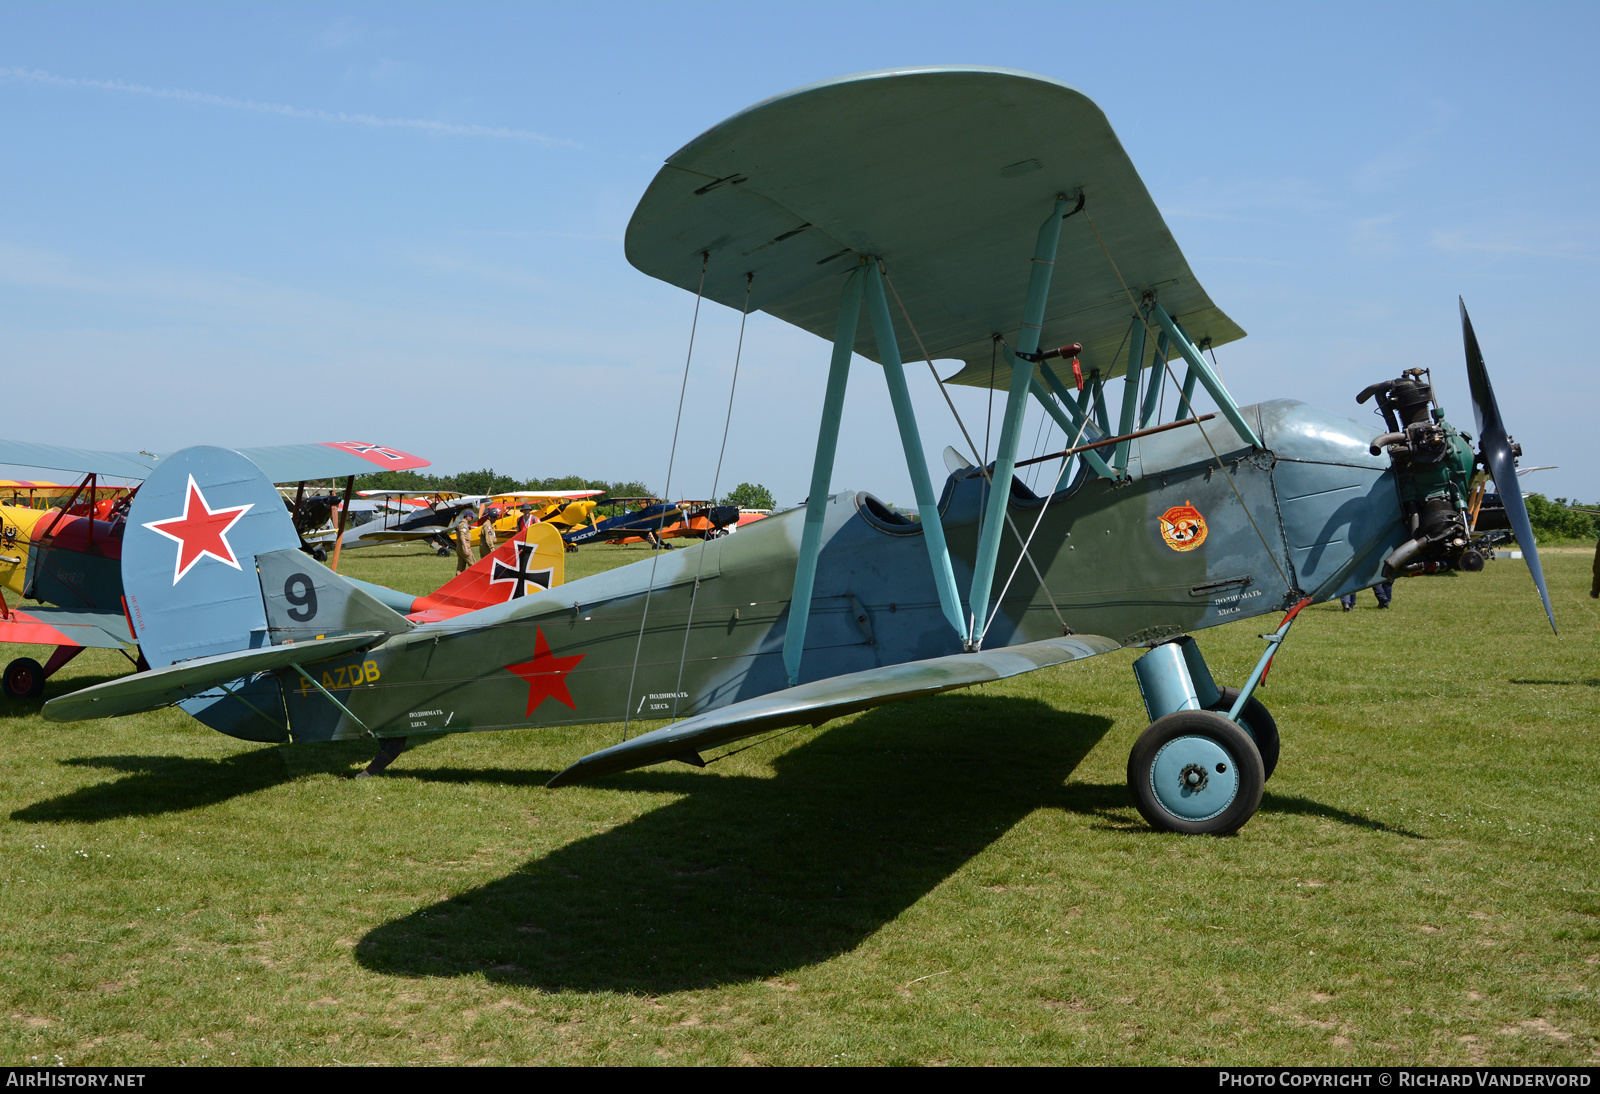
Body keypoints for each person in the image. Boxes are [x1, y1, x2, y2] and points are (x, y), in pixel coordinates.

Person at [451, 506, 475, 574]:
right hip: (464, 546)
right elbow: (462, 537)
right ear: (468, 516)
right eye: (472, 517)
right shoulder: (463, 525)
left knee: (460, 568)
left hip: (459, 547)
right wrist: (466, 548)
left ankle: (457, 583)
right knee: (474, 565)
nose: (472, 518)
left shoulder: (462, 524)